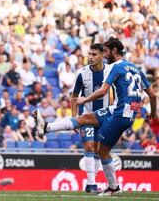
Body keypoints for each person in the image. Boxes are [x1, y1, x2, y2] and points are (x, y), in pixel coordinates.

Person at [35, 37, 157, 196]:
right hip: (126, 113)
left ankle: (113, 187)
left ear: (114, 51)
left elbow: (103, 91)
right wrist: (153, 113)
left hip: (119, 113)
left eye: (106, 51)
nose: (105, 55)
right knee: (87, 123)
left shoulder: (115, 67)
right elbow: (153, 95)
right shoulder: (136, 68)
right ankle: (46, 127)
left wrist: (85, 99)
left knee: (102, 150)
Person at [71, 43, 109, 193]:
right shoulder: (82, 73)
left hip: (105, 118)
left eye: (94, 54)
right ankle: (92, 184)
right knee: (89, 146)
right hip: (86, 117)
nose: (91, 57)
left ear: (102, 56)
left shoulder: (110, 72)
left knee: (99, 150)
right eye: (89, 54)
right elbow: (74, 96)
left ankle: (92, 182)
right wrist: (74, 118)